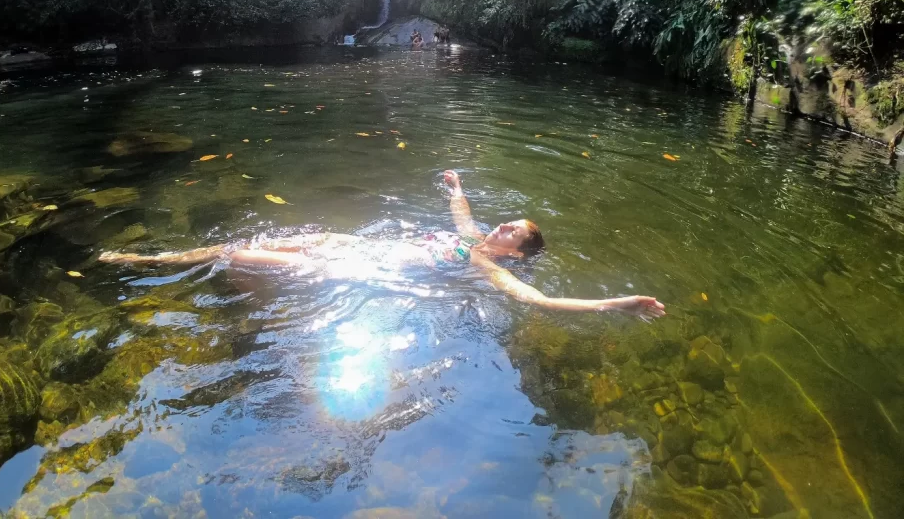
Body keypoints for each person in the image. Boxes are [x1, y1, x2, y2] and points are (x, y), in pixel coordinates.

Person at [99, 171, 665, 319]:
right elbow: (462, 215)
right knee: (245, 241)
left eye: (510, 233)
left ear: (518, 254)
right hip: (348, 245)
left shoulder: (489, 272)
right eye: (505, 224)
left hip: (351, 272)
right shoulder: (474, 239)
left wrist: (615, 303)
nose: (499, 230)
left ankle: (257, 310)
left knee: (238, 257)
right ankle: (147, 259)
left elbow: (538, 303)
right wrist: (458, 188)